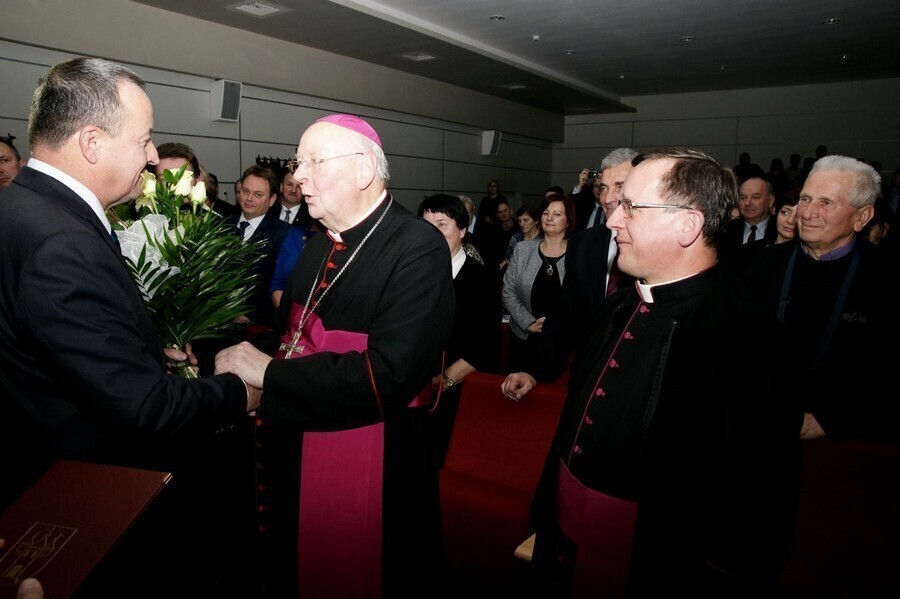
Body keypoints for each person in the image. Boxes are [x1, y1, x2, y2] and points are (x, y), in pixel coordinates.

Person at [0, 56, 259, 593]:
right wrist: (237, 392)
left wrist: (138, 350)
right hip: (84, 497)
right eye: (144, 139)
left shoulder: (17, 208)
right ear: (92, 143)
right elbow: (144, 410)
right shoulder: (64, 242)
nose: (150, 156)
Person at [515, 148, 802, 597]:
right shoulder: (622, 304)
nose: (611, 221)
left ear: (688, 225)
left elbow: (751, 502)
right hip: (569, 538)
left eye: (630, 207)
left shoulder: (748, 335)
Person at [214, 114, 454, 597]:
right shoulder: (316, 245)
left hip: (377, 452)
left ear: (364, 171)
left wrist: (266, 372)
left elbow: (390, 375)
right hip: (302, 434)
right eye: (298, 163)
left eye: (313, 162)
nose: (298, 176)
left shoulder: (417, 247)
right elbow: (295, 338)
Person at [744, 155, 899, 441]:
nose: (807, 212)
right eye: (805, 198)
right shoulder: (766, 263)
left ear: (862, 217)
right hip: (762, 425)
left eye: (826, 203)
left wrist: (832, 416)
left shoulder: (886, 277)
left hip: (846, 441)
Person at [503, 147, 637, 388]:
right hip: (587, 374)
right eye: (603, 187)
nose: (607, 198)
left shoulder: (659, 246)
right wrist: (533, 371)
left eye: (620, 185)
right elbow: (565, 313)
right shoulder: (584, 245)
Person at [418, 193, 501, 467]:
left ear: (463, 230)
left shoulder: (480, 280)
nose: (433, 233)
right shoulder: (411, 274)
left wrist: (444, 382)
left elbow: (486, 345)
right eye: (427, 225)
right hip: (413, 388)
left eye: (442, 225)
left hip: (457, 390)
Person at [502, 193, 574, 372]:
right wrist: (529, 323)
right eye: (546, 213)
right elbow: (508, 291)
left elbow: (579, 299)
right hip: (523, 337)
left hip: (559, 340)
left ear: (568, 220)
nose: (549, 218)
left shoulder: (577, 253)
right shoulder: (523, 249)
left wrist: (552, 325)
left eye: (557, 214)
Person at [229, 164, 291, 327]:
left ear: (272, 200)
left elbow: (280, 284)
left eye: (258, 194)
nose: (249, 199)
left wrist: (252, 316)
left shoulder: (284, 234)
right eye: (245, 191)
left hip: (260, 326)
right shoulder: (222, 225)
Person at [500, 202, 541, 270]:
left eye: (526, 220)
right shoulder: (516, 239)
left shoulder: (543, 239)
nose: (522, 224)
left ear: (536, 221)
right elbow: (509, 262)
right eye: (519, 221)